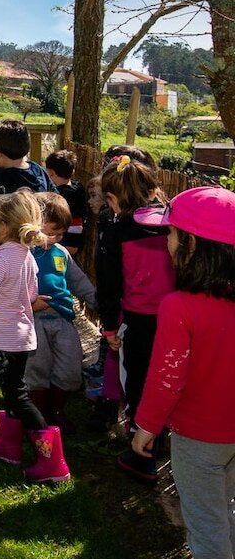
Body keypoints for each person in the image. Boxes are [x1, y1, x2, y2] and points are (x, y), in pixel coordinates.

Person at [130, 186, 235, 559]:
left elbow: (166, 378)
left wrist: (146, 426)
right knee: (227, 510)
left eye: (170, 233)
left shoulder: (179, 307)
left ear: (192, 244)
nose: (166, 242)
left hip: (198, 438)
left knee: (206, 525)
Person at [0, 190, 70, 483]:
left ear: (5, 227)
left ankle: (53, 463)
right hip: (22, 337)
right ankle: (9, 445)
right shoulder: (27, 257)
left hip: (4, 338)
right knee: (12, 389)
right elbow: (29, 296)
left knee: (17, 394)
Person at [95, 155, 174, 481]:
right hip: (177, 318)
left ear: (114, 198)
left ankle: (141, 455)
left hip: (138, 321)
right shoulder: (172, 224)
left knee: (138, 385)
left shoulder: (116, 230)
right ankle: (164, 438)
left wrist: (110, 327)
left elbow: (109, 284)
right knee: (170, 379)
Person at [25, 192, 97, 432]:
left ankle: (57, 409)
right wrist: (28, 305)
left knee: (70, 367)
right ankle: (42, 414)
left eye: (60, 233)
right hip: (33, 320)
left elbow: (78, 281)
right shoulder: (23, 253)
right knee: (37, 367)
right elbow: (9, 289)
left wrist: (98, 301)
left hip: (63, 318)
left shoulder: (61, 253)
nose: (55, 238)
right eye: (50, 232)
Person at [0, 119, 57, 259]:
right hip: (35, 241)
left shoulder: (1, 178)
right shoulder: (37, 169)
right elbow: (55, 197)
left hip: (6, 248)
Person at [44, 150, 86, 255]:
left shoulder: (64, 195)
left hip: (66, 244)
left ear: (51, 173)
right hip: (70, 241)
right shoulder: (78, 188)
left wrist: (72, 245)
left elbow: (76, 221)